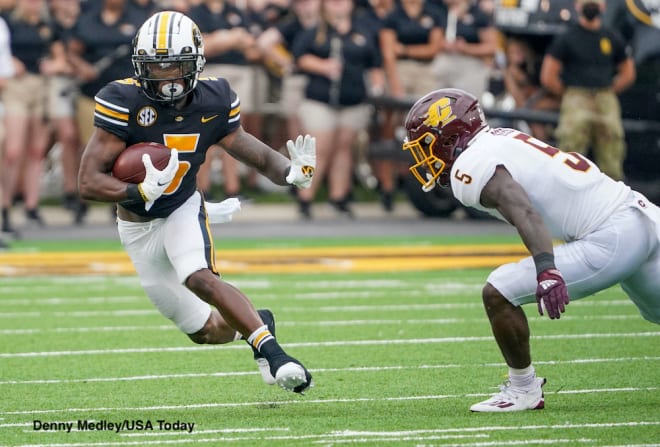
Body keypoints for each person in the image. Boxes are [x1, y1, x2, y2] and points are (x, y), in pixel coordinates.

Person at [77, 10, 315, 393]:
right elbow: (87, 182)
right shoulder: (122, 99)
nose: (168, 77)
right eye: (157, 68)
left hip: (180, 206)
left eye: (177, 66)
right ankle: (259, 322)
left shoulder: (214, 99)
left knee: (198, 276)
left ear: (197, 63)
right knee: (207, 331)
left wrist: (291, 174)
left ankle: (276, 356)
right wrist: (137, 192)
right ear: (140, 66)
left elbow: (254, 153)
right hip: (136, 226)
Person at [402, 87, 660, 411]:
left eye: (426, 144)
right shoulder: (500, 137)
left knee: (499, 291)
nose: (424, 157)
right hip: (642, 214)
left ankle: (523, 389)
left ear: (449, 136)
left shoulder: (469, 164)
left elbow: (523, 209)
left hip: (611, 234)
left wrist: (547, 269)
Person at [291, 0, 383, 219]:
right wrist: (322, 66)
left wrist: (378, 88)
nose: (338, 6)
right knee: (318, 149)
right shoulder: (317, 31)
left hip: (352, 101)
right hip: (320, 100)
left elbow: (374, 63)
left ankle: (339, 197)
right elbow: (299, 57)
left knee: (344, 149)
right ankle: (305, 197)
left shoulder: (362, 30)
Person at [540, 0, 636, 181]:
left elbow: (628, 72)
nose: (591, 3)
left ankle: (612, 201)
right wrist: (570, 95)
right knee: (571, 155)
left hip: (605, 99)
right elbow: (548, 75)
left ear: (604, 6)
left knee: (612, 153)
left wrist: (608, 91)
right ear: (576, 5)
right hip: (576, 97)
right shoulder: (567, 37)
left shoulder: (611, 36)